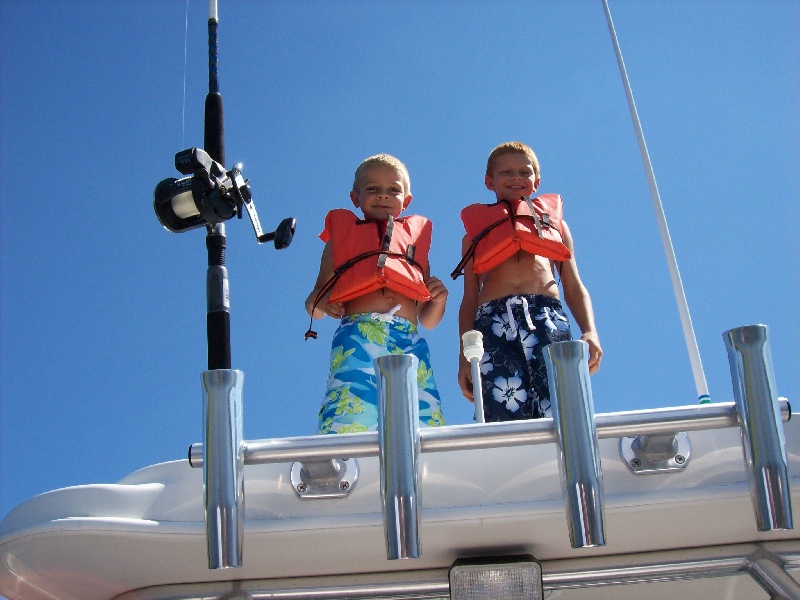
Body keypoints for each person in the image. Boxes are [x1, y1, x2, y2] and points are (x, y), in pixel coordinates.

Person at [454, 141, 602, 421]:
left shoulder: (554, 225)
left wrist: (590, 331)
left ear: (537, 181)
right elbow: (469, 299)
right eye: (507, 172)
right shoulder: (474, 235)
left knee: (563, 410)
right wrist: (465, 352)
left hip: (547, 318)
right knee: (499, 416)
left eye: (525, 172)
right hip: (492, 324)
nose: (517, 178)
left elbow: (572, 284)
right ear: (490, 181)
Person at [305, 153, 448, 434]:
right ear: (355, 198)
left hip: (408, 339)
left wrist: (440, 299)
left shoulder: (413, 246)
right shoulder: (339, 242)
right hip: (358, 336)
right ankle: (344, 465)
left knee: (420, 418)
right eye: (372, 189)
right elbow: (314, 304)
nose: (383, 196)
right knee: (351, 413)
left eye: (393, 190)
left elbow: (428, 320)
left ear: (406, 200)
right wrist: (324, 301)